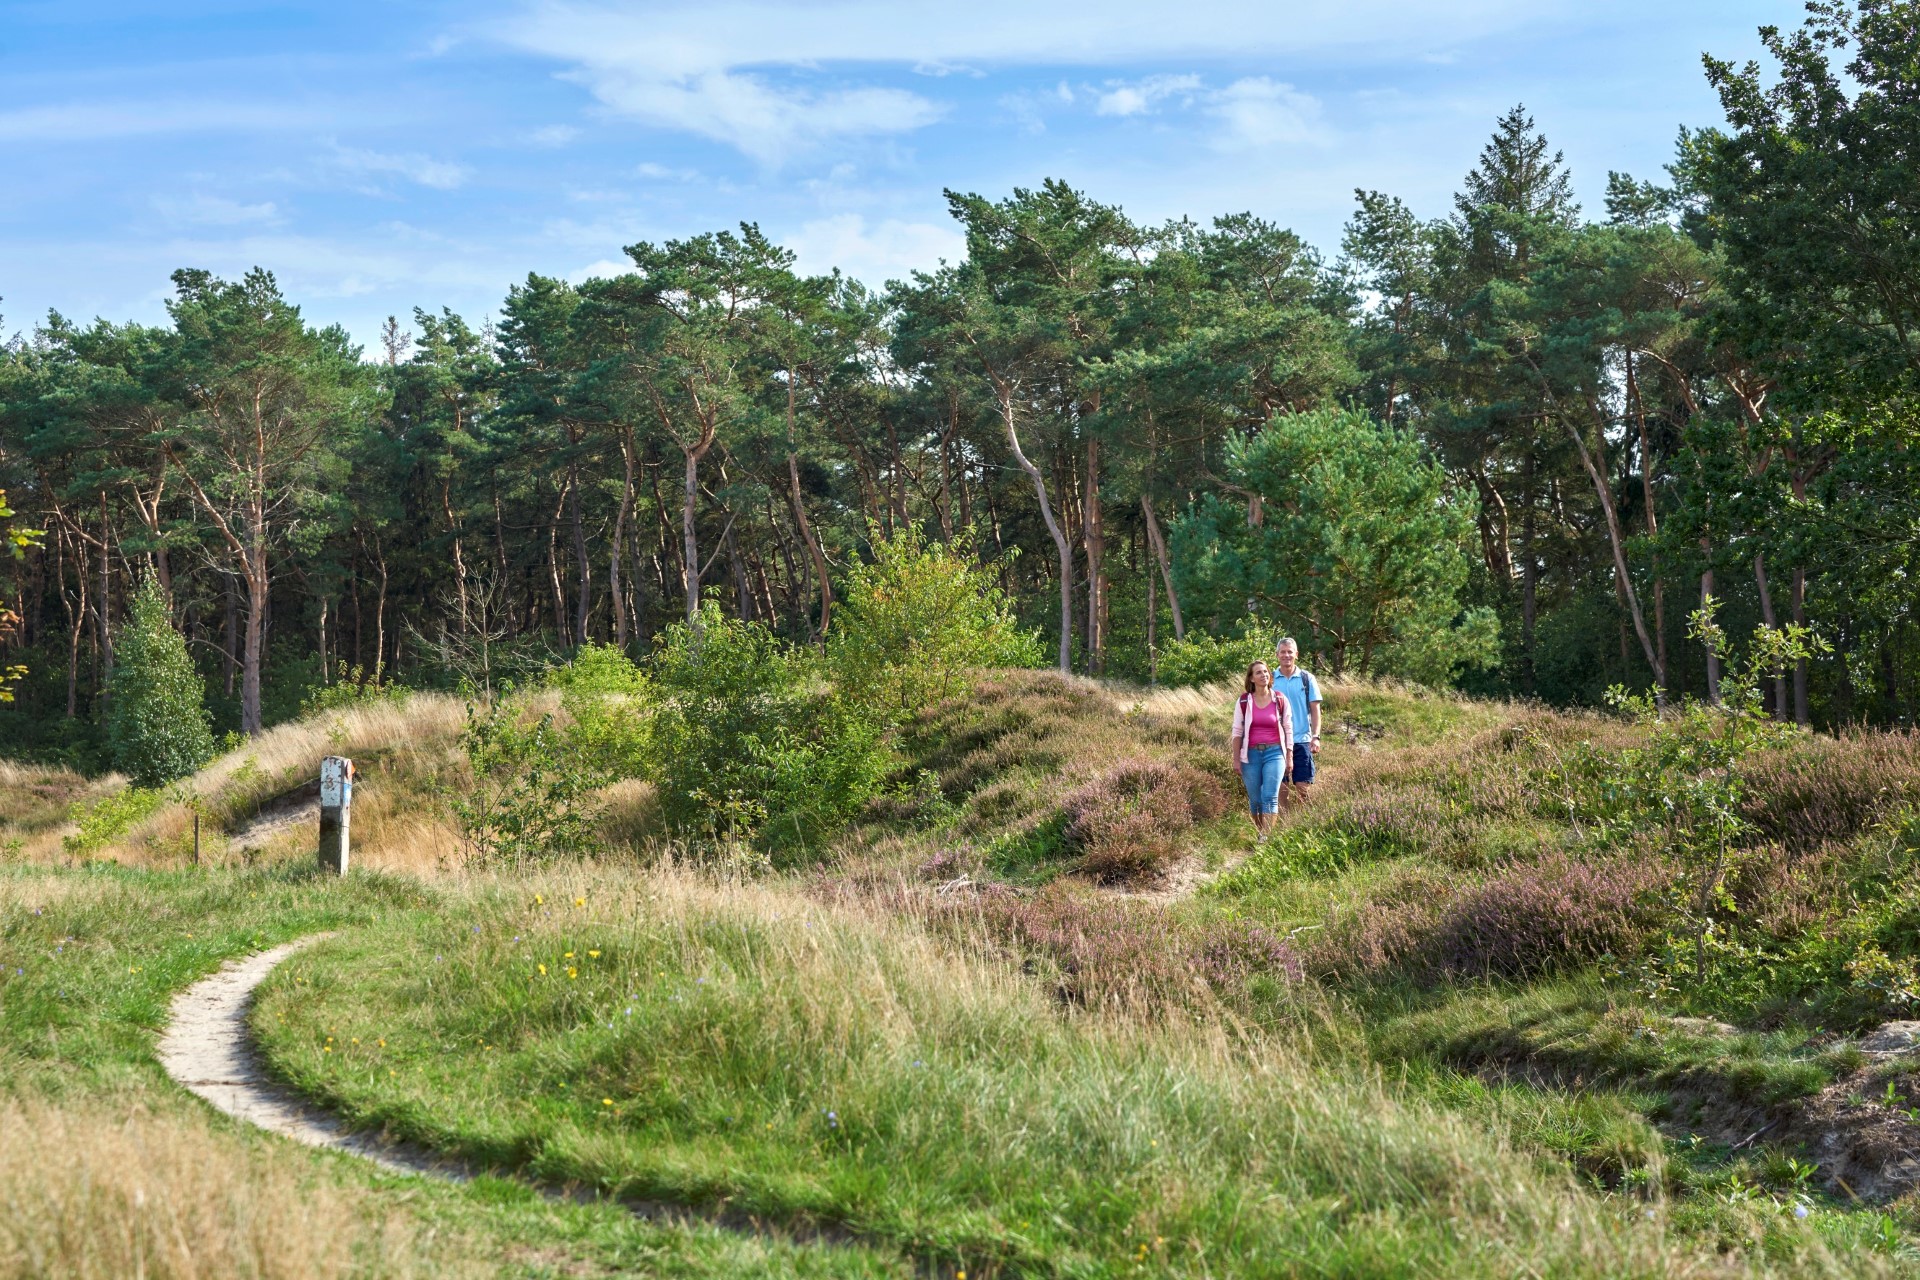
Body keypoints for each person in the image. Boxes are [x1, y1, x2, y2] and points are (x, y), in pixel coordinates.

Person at [1229, 659, 1293, 843]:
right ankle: (1259, 831)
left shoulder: (1280, 699)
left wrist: (1289, 756)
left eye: (1266, 672)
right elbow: (1237, 732)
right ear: (1251, 678)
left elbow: (1288, 728)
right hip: (1250, 755)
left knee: (1270, 796)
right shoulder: (1243, 701)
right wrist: (1236, 759)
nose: (1264, 675)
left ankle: (1266, 836)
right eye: (1258, 672)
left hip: (1275, 753)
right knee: (1255, 800)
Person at [1272, 637, 1322, 805]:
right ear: (1277, 655)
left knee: (1303, 788)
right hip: (1277, 742)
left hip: (1302, 741)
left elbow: (1315, 710)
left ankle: (1304, 825)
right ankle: (1284, 827)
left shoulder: (1307, 679)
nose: (1286, 655)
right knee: (1282, 789)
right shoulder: (1270, 679)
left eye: (1290, 652)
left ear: (1296, 655)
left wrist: (1316, 736)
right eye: (1283, 652)